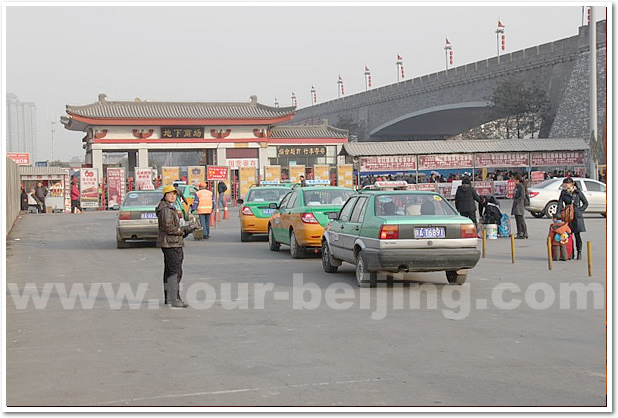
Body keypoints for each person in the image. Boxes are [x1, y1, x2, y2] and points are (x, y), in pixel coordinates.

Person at [156, 185, 197, 308]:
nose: (173, 196)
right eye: (170, 194)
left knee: (170, 270)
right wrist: (185, 229)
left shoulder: (167, 208)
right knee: (175, 271)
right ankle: (175, 298)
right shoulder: (166, 210)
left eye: (174, 194)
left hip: (171, 242)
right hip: (171, 243)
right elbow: (169, 228)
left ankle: (169, 297)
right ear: (164, 196)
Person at [557, 177, 588, 260]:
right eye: (564, 183)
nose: (565, 185)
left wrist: (580, 210)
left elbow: (585, 203)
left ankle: (579, 252)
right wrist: (558, 214)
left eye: (566, 183)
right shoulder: (563, 193)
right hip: (568, 216)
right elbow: (560, 204)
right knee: (568, 235)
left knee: (577, 235)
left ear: (571, 184)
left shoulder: (577, 192)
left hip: (577, 216)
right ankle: (571, 252)